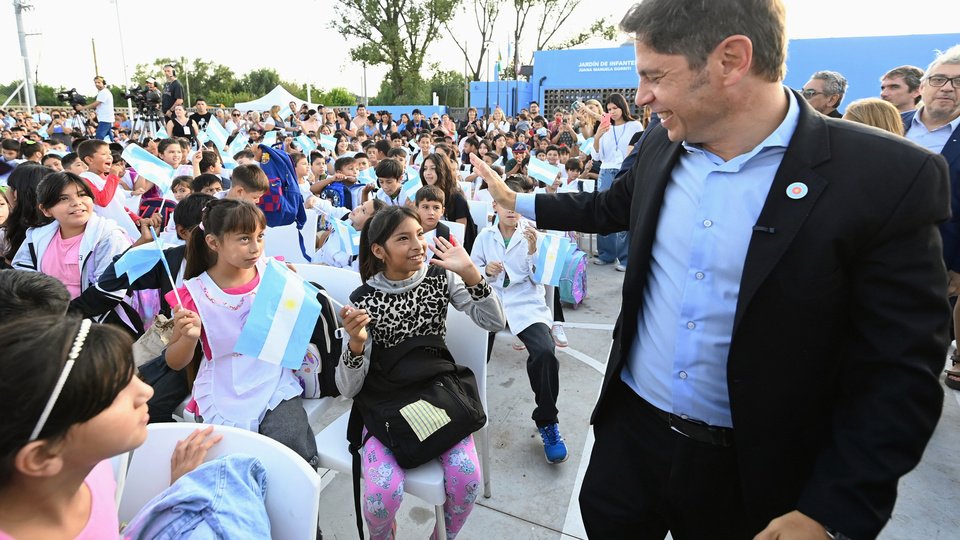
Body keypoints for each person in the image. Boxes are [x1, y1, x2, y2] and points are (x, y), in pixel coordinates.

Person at [471, 1, 951, 538]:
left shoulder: (887, 178)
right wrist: (518, 200)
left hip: (755, 477)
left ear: (731, 60)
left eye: (656, 76)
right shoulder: (662, 139)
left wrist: (830, 511)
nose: (640, 97)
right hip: (631, 444)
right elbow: (611, 208)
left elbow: (900, 371)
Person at [336, 205, 505, 539]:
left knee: (467, 478)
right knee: (382, 495)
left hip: (437, 393)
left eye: (419, 235)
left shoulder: (440, 277)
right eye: (403, 238)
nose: (418, 245)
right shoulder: (363, 300)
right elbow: (347, 388)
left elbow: (495, 322)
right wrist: (355, 343)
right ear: (379, 251)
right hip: (386, 403)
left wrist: (471, 271)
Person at [0, 315, 231, 539]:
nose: (146, 391)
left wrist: (175, 492)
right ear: (41, 457)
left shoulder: (93, 469)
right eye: (114, 393)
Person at [163, 198, 319, 464]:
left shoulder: (273, 271)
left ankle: (294, 503)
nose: (256, 247)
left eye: (260, 236)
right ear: (213, 243)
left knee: (292, 449)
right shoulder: (193, 295)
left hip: (273, 379)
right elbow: (174, 361)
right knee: (230, 461)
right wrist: (188, 339)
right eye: (244, 239)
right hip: (223, 388)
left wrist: (292, 292)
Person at [471, 177, 568, 463]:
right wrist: (485, 270)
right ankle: (465, 409)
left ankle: (548, 420)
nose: (510, 210)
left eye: (514, 204)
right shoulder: (484, 237)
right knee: (467, 352)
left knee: (545, 354)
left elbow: (543, 278)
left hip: (525, 305)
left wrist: (535, 251)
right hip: (492, 303)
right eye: (504, 204)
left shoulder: (532, 234)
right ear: (495, 207)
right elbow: (473, 272)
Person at [900, 45, 960, 390]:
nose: (947, 88)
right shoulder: (894, 124)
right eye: (939, 79)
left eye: (958, 82)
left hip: (939, 257)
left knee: (919, 339)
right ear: (922, 86)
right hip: (871, 248)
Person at [11, 172, 131, 302]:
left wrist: (68, 314)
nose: (76, 203)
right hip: (45, 313)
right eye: (63, 198)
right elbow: (23, 273)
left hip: (96, 317)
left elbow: (109, 291)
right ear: (46, 210)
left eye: (82, 195)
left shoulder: (109, 237)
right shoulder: (36, 237)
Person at [591, 92, 643, 271]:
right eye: (609, 109)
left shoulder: (634, 125)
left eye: (615, 108)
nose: (612, 112)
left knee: (624, 212)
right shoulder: (605, 127)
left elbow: (638, 150)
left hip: (625, 171)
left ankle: (626, 258)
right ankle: (606, 255)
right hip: (606, 170)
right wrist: (598, 135)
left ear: (623, 107)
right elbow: (597, 155)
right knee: (604, 209)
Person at [420, 153, 476, 252]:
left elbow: (459, 235)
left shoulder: (457, 199)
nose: (427, 173)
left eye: (433, 168)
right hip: (428, 245)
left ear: (443, 171)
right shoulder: (422, 194)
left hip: (451, 249)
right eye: (425, 168)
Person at [80, 76, 114, 141]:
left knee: (99, 138)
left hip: (105, 119)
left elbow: (96, 104)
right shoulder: (103, 92)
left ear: (103, 83)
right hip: (105, 119)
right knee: (109, 138)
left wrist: (82, 108)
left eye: (99, 82)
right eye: (95, 83)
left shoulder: (104, 92)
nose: (97, 84)